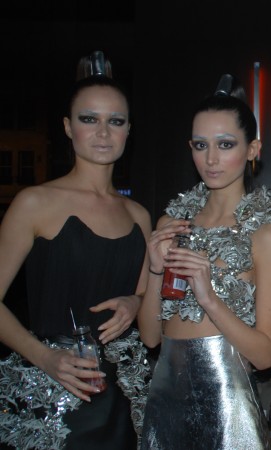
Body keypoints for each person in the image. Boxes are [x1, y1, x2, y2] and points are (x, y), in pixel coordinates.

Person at [0, 51, 152, 449]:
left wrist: (135, 303)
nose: (103, 132)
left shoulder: (139, 215)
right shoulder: (34, 203)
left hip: (120, 395)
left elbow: (145, 295)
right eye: (89, 119)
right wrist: (44, 357)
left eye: (115, 121)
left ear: (128, 130)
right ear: (68, 127)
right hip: (52, 391)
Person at [138, 73, 271, 449]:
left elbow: (264, 356)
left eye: (225, 144)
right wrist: (156, 269)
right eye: (200, 145)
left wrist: (208, 297)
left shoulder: (265, 234)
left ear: (253, 149)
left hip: (229, 411)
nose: (210, 159)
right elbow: (150, 337)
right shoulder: (171, 223)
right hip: (165, 403)